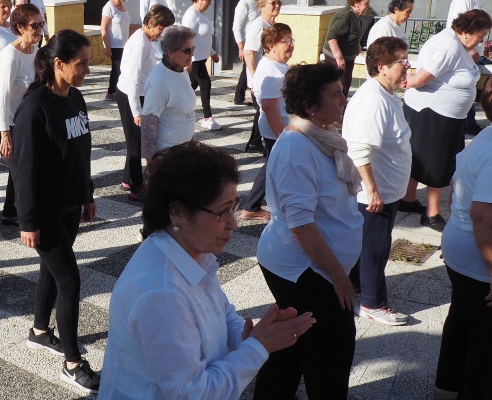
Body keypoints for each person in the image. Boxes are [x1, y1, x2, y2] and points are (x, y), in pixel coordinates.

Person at [99, 142, 316, 399]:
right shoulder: (161, 292)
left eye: (234, 207)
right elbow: (195, 394)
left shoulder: (189, 253)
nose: (234, 224)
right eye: (223, 212)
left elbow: (222, 315)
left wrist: (249, 336)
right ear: (177, 213)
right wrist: (259, 346)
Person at [253, 62, 361, 399]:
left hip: (316, 266)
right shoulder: (297, 147)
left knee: (291, 346)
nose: (344, 100)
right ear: (309, 107)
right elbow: (302, 225)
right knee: (331, 352)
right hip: (303, 269)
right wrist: (338, 276)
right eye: (336, 95)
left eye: (343, 92)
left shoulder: (321, 137)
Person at [12, 29, 98, 393]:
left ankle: (39, 330)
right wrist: (27, 221)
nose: (87, 71)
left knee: (53, 269)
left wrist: (88, 194)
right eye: (81, 64)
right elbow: (24, 170)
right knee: (70, 281)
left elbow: (82, 151)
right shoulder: (34, 108)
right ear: (59, 64)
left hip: (70, 204)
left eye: (88, 63)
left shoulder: (75, 97)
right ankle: (72, 362)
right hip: (44, 209)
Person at [343, 37, 412, 326]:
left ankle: (358, 286)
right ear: (382, 67)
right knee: (375, 247)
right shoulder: (374, 100)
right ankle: (372, 303)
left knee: (369, 245)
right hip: (376, 192)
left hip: (386, 188)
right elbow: (358, 149)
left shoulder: (385, 93)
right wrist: (371, 190)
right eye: (402, 61)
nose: (408, 65)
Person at [401, 9, 491, 229]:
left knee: (422, 157)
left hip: (447, 114)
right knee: (438, 162)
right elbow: (421, 79)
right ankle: (431, 213)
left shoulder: (458, 44)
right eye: (481, 35)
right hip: (435, 113)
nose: (483, 40)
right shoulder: (448, 46)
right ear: (465, 31)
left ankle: (408, 199)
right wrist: (404, 81)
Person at [434, 77, 492, 400]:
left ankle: (445, 390)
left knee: (461, 324)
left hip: (462, 249)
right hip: (478, 258)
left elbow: (458, 187)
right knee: (485, 344)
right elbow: (482, 215)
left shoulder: (485, 136)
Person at [115, 5, 174, 202]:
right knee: (137, 144)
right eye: (161, 29)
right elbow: (132, 79)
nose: (161, 33)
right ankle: (136, 187)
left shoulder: (147, 39)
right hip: (130, 95)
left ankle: (127, 179)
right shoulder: (140, 42)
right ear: (151, 23)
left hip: (138, 93)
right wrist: (136, 112)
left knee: (135, 140)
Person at [240, 23, 293, 221]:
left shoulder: (275, 64)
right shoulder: (271, 70)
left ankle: (252, 205)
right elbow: (270, 107)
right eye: (285, 41)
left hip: (278, 124)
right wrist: (283, 136)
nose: (291, 45)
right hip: (275, 127)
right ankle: (251, 206)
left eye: (291, 40)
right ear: (271, 45)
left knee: (272, 165)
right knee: (273, 165)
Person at [0, 4, 41, 225]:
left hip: (30, 121)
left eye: (41, 24)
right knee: (22, 174)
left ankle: (10, 212)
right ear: (20, 27)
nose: (40, 29)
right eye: (35, 25)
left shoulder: (35, 52)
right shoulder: (10, 56)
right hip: (13, 123)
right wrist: (5, 133)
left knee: (23, 171)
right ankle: (26, 219)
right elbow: (2, 97)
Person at [141, 26, 197, 160]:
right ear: (170, 53)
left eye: (193, 49)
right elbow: (148, 124)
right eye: (187, 51)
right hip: (168, 155)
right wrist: (152, 162)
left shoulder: (181, 71)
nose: (192, 55)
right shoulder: (159, 82)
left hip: (184, 149)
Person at [243, 0, 280, 154]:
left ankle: (255, 141)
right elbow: (249, 52)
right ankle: (257, 142)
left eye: (279, 2)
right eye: (273, 3)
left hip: (268, 77)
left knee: (262, 110)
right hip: (260, 79)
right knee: (263, 109)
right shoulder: (258, 26)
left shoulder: (272, 25)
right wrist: (255, 79)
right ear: (262, 7)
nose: (277, 5)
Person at [182, 0, 221, 131]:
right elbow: (186, 39)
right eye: (207, 0)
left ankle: (176, 109)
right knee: (205, 84)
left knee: (190, 86)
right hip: (194, 59)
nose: (210, 3)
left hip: (201, 58)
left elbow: (203, 37)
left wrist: (212, 52)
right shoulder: (191, 15)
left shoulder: (200, 14)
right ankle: (207, 118)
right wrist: (187, 60)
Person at [322, 0, 370, 97]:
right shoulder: (346, 16)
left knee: (345, 85)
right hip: (336, 60)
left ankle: (341, 109)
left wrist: (357, 45)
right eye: (366, 4)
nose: (368, 6)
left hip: (347, 59)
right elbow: (331, 36)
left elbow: (351, 33)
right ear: (356, 3)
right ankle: (337, 110)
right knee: (339, 88)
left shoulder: (355, 15)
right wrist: (339, 58)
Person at [100, 0, 129, 102]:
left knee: (122, 68)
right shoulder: (108, 7)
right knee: (118, 69)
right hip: (114, 45)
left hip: (124, 44)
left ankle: (117, 91)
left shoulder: (124, 5)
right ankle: (111, 92)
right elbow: (103, 28)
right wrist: (106, 46)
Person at [232, 0, 258, 105]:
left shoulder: (261, 2)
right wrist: (241, 48)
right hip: (248, 45)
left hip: (258, 45)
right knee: (250, 69)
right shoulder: (244, 3)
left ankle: (239, 97)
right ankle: (256, 101)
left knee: (246, 71)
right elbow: (236, 27)